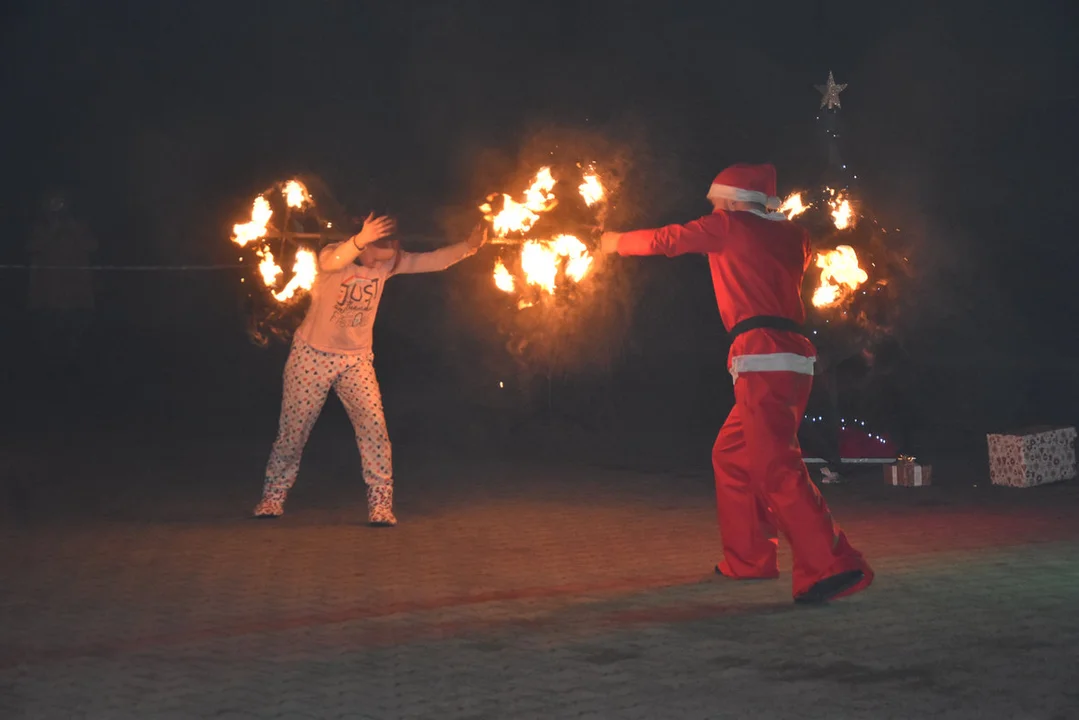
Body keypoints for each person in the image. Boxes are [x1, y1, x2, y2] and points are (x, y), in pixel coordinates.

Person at [599, 163, 873, 603]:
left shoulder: (728, 226)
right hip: (791, 356)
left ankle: (835, 565)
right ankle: (748, 559)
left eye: (715, 201)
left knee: (776, 467)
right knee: (732, 456)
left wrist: (614, 243)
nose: (710, 208)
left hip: (763, 354)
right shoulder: (793, 235)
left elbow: (669, 239)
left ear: (731, 201)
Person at [253, 215, 488, 524]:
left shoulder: (386, 265)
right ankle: (273, 497)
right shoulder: (332, 257)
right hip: (312, 355)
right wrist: (361, 240)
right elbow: (337, 257)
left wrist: (468, 247)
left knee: (374, 429)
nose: (395, 250)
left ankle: (380, 504)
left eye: (393, 243)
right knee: (292, 432)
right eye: (385, 243)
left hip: (356, 360)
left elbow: (432, 261)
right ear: (365, 243)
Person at [26, 192, 97, 361]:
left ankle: (75, 357)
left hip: (76, 288)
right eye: (54, 203)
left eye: (62, 203)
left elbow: (93, 246)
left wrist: (74, 229)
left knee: (76, 328)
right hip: (49, 289)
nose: (58, 207)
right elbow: (31, 248)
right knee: (49, 328)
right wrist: (52, 230)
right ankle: (47, 359)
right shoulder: (40, 228)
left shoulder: (79, 226)